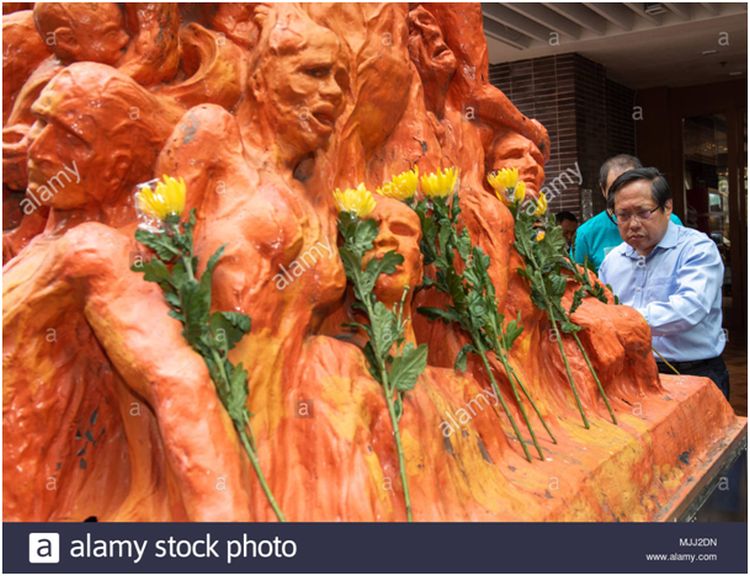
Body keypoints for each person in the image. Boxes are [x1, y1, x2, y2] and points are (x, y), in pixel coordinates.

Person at [599, 168, 729, 398]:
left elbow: (690, 308)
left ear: (667, 207)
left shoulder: (697, 249)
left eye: (643, 212)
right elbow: (601, 311)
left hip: (693, 372)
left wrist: (622, 320)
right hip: (633, 375)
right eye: (623, 215)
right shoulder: (612, 262)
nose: (633, 223)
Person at [573, 154, 682, 271]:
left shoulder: (670, 222)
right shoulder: (586, 234)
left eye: (631, 187)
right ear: (603, 190)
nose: (624, 196)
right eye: (615, 190)